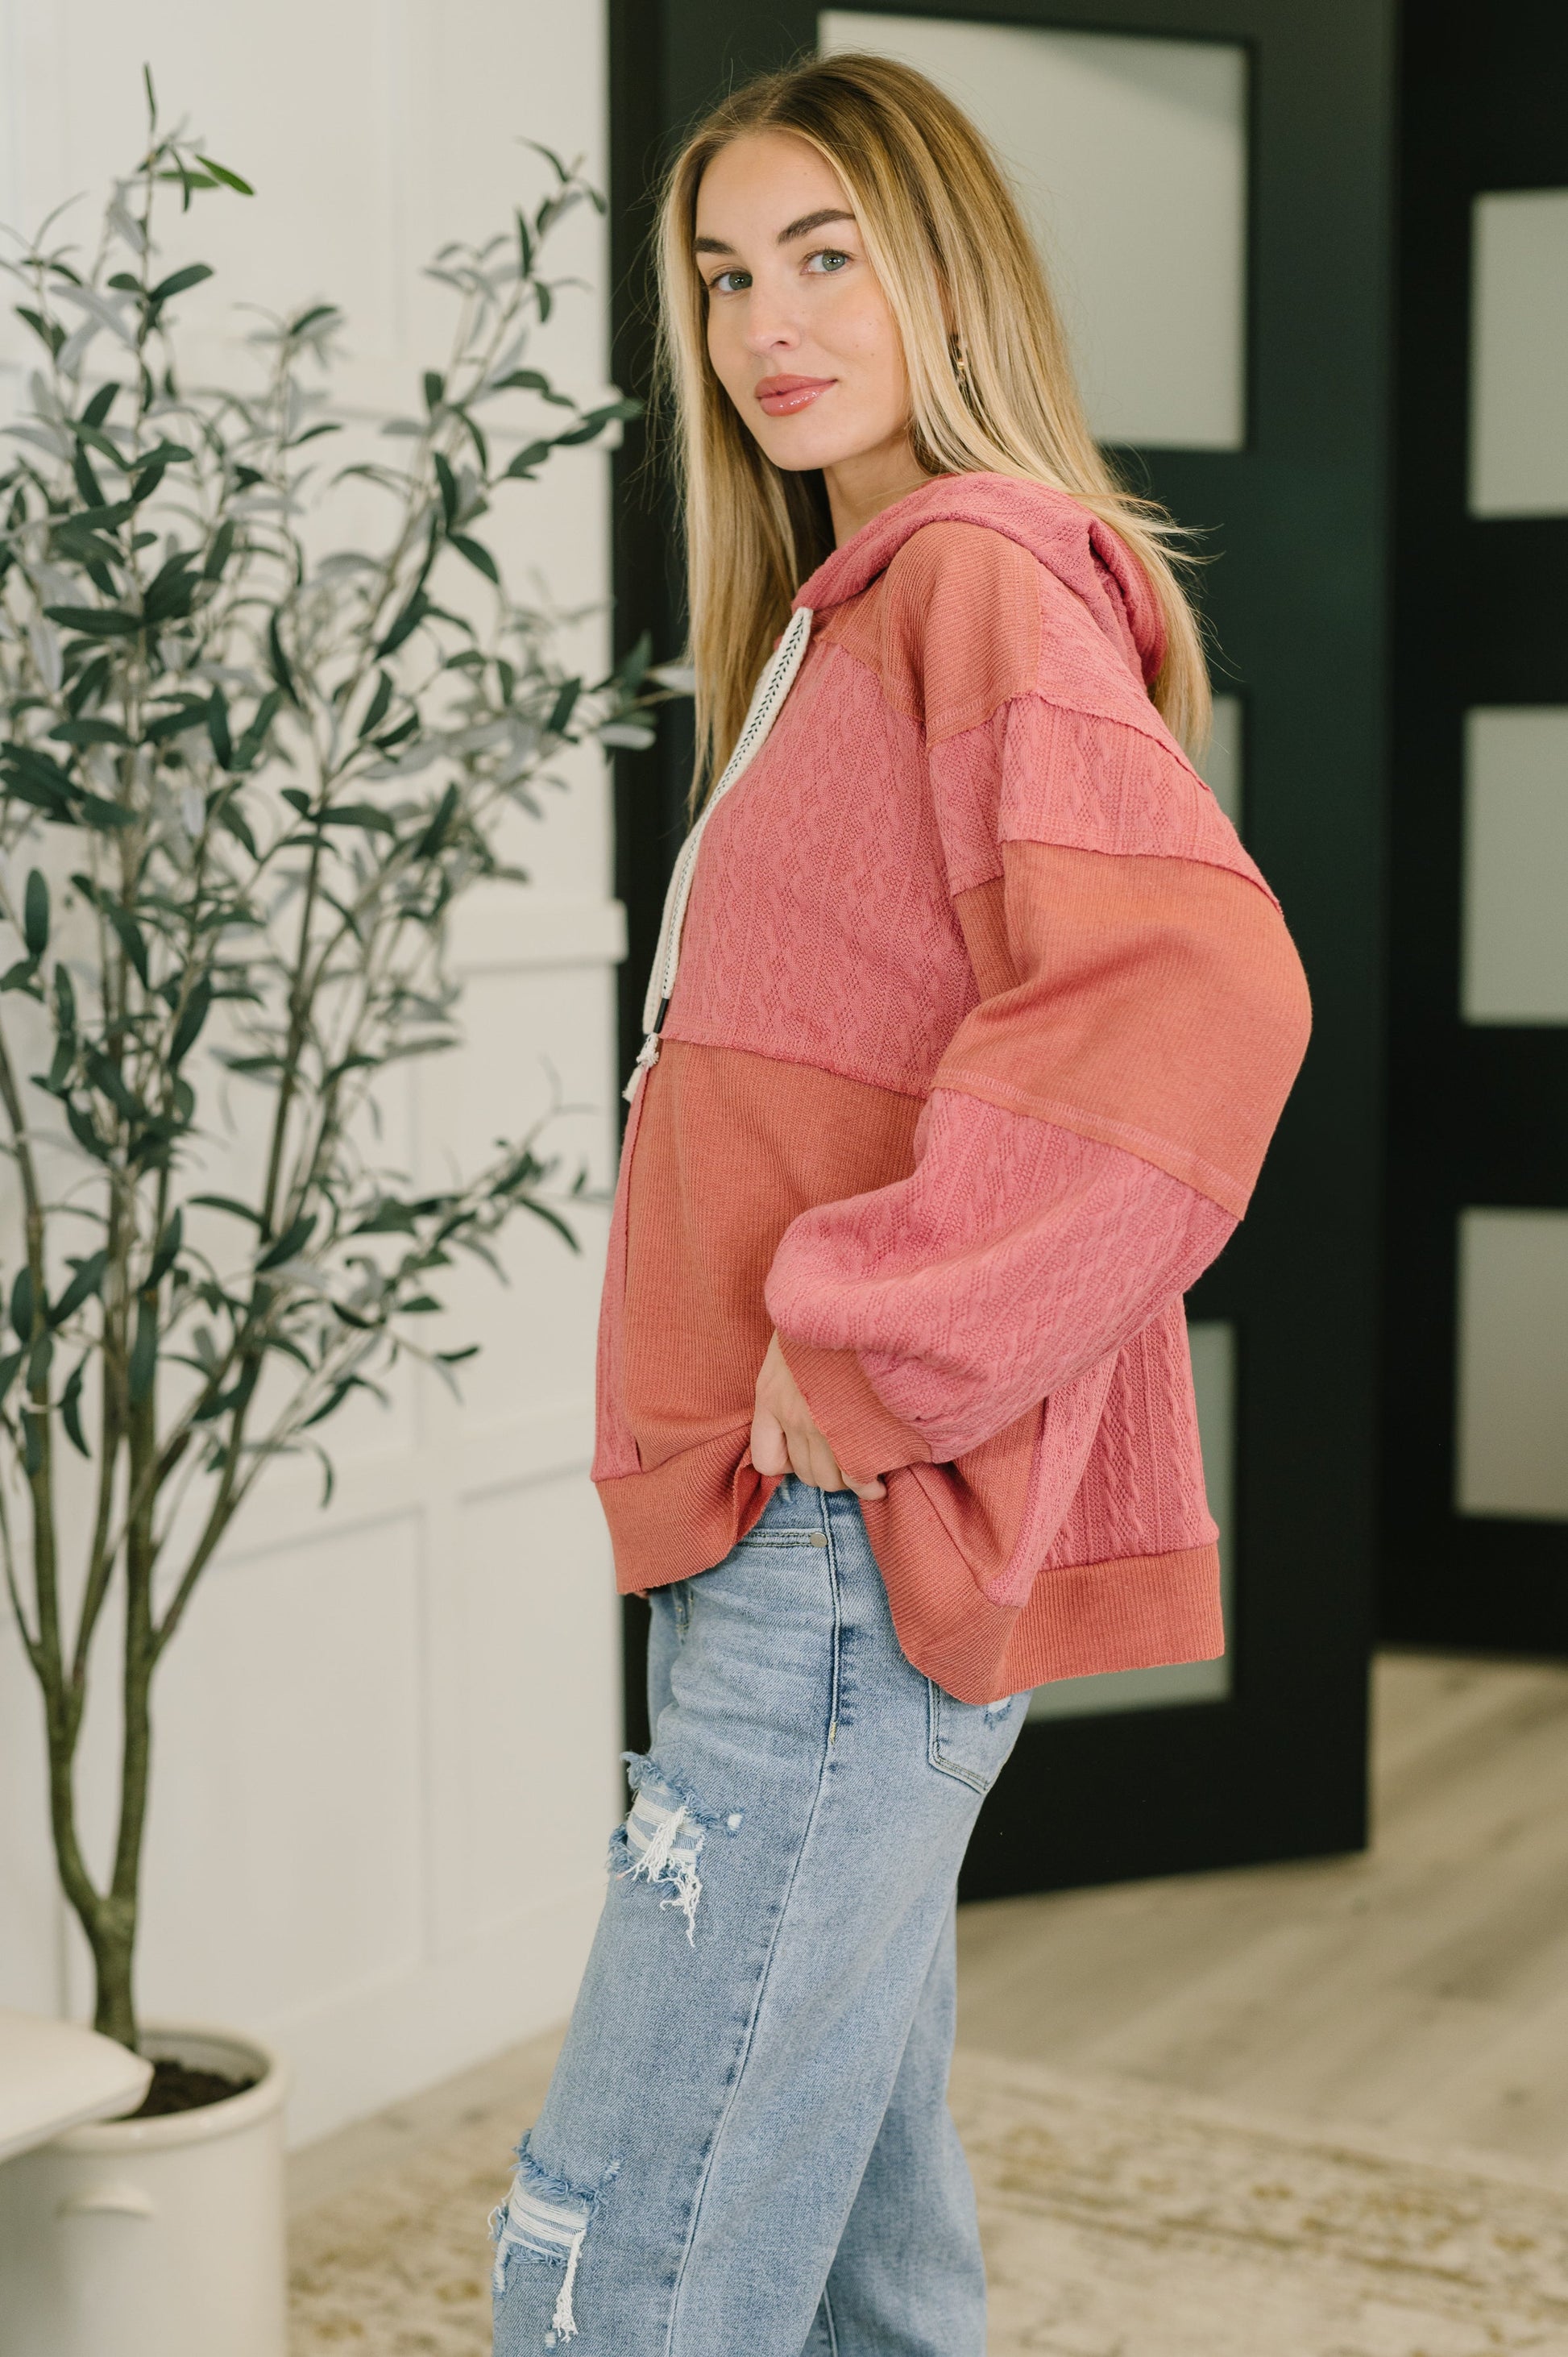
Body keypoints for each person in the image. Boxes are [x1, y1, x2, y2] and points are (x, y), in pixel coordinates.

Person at [492, 50, 1311, 2357]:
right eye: (723, 274)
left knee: (616, 2253)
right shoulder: (841, 614)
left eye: (826, 255)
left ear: (947, 277)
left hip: (840, 1539)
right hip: (791, 1529)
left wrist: (864, 1333)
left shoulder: (969, 582)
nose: (767, 322)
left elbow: (1195, 999)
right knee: (856, 2239)